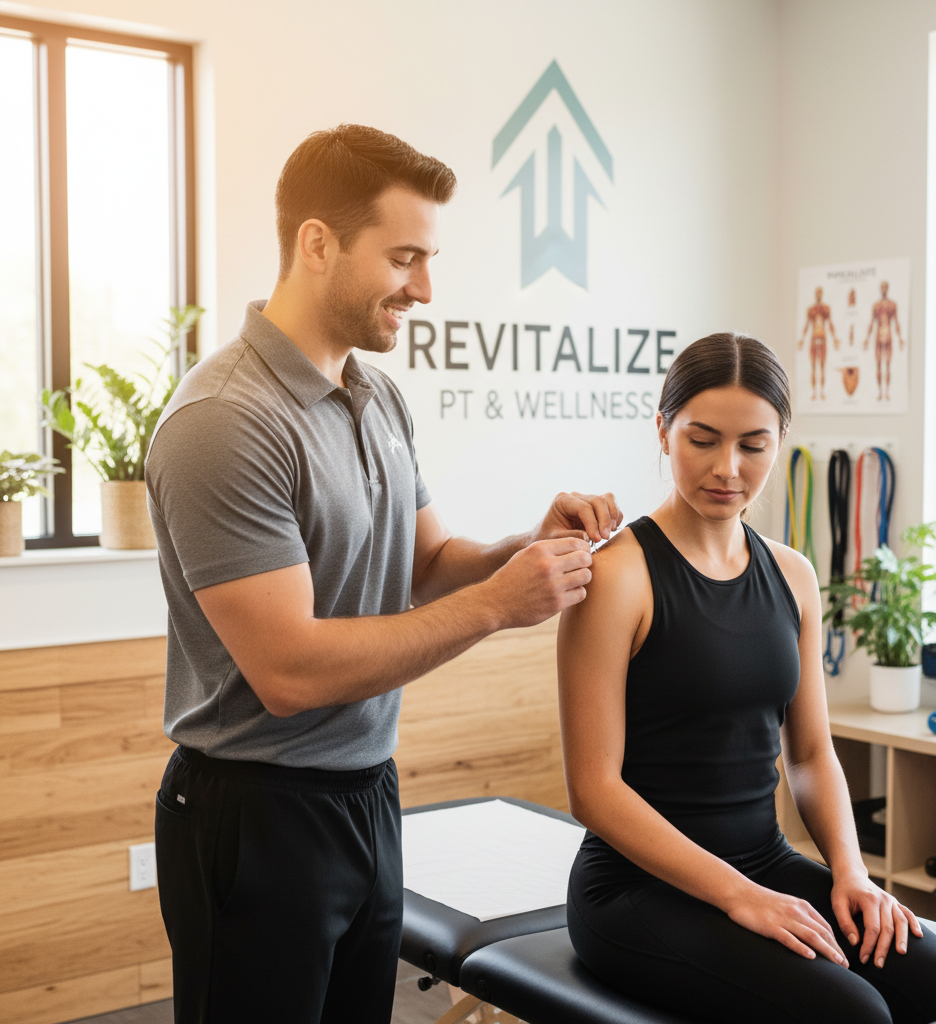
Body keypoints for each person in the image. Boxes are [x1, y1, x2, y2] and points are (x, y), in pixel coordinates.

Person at [146, 124, 621, 1024]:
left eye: (430, 258)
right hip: (254, 814)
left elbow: (429, 564)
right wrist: (495, 607)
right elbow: (288, 672)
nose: (427, 289)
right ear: (316, 243)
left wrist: (524, 547)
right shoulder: (225, 420)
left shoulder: (376, 394)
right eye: (404, 257)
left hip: (368, 795)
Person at [556, 332, 936, 1024]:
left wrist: (852, 875)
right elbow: (594, 790)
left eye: (753, 445)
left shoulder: (793, 575)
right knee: (856, 1014)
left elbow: (812, 756)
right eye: (702, 440)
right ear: (663, 430)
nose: (727, 468)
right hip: (637, 892)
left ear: (780, 439)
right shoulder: (618, 575)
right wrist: (737, 896)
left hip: (765, 861)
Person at [863, 280, 904, 401]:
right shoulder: (876, 306)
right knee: (879, 365)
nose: (884, 289)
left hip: (888, 335)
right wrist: (867, 338)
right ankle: (880, 392)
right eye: (882, 287)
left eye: (886, 287)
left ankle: (887, 392)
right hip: (878, 335)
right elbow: (872, 322)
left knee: (888, 365)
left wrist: (900, 337)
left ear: (888, 288)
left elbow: (896, 322)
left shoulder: (892, 305)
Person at [797, 285, 839, 401]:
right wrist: (802, 339)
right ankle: (814, 392)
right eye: (817, 292)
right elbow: (807, 325)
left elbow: (830, 323)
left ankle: (822, 391)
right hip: (814, 338)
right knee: (813, 367)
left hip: (823, 338)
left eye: (820, 292)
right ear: (816, 294)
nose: (819, 295)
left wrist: (834, 338)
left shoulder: (826, 309)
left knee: (822, 366)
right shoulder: (811, 310)